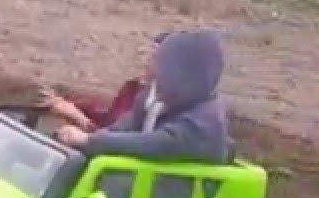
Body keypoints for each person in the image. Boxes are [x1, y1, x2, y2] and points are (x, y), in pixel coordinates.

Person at [56, 28, 229, 163]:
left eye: (165, 68)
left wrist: (89, 141)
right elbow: (126, 125)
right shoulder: (156, 96)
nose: (156, 72)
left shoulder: (203, 122)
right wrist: (89, 140)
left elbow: (154, 144)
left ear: (187, 75)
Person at [38, 32, 169, 132]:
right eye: (150, 52)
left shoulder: (161, 105)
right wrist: (68, 104)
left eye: (156, 55)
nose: (148, 59)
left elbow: (118, 141)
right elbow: (109, 120)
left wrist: (79, 118)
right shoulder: (133, 87)